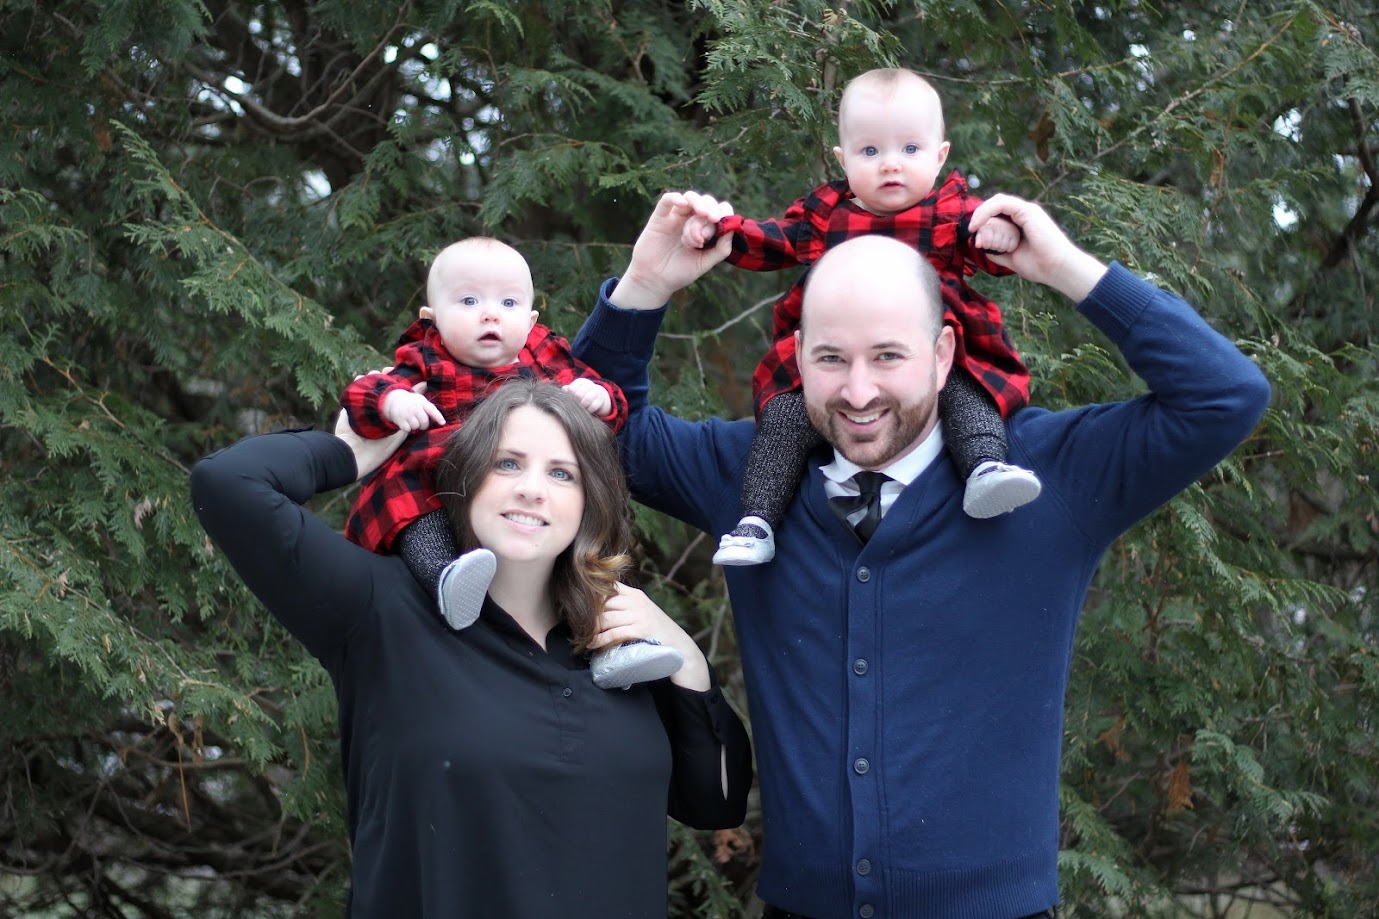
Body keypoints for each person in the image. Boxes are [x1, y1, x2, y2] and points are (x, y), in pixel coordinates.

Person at [570, 191, 1270, 918]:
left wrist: (1065, 268)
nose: (858, 390)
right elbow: (587, 432)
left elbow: (1224, 396)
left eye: (888, 357)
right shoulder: (747, 478)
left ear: (942, 354)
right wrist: (643, 288)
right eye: (831, 359)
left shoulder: (1049, 477)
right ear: (796, 356)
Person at [191, 378, 753, 917]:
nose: (532, 488)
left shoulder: (619, 645)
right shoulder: (381, 608)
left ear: (590, 502)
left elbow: (716, 802)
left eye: (563, 473)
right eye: (507, 463)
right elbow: (227, 484)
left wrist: (684, 654)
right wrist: (349, 451)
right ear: (461, 476)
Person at [681, 68, 1040, 566]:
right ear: (844, 159)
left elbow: (994, 247)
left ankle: (984, 466)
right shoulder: (827, 218)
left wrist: (999, 234)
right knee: (786, 417)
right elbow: (772, 241)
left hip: (927, 343)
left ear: (940, 157)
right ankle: (757, 520)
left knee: (964, 391)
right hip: (837, 346)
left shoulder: (951, 214)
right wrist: (723, 232)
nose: (891, 165)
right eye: (870, 152)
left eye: (910, 150)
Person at [339, 236, 681, 688]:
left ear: (530, 318)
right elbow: (366, 394)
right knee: (414, 517)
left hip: (525, 499)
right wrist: (394, 403)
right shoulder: (425, 356)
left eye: (507, 302)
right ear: (432, 318)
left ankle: (617, 648)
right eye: (467, 300)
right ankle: (448, 581)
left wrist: (599, 397)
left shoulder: (543, 355)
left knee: (581, 559)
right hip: (433, 485)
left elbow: (608, 399)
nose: (489, 313)